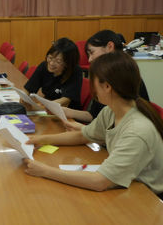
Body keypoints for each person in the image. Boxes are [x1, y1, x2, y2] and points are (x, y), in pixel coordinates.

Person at [24, 52, 163, 196]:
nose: (92, 88)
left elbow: (99, 182)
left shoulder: (137, 130)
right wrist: (40, 139)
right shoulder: (111, 111)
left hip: (147, 196)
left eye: (93, 81)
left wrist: (45, 171)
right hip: (129, 184)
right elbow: (83, 136)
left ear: (107, 86)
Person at [63, 29, 149, 124]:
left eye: (92, 53)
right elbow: (94, 116)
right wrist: (66, 112)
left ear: (110, 47)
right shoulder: (109, 76)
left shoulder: (123, 76)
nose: (90, 59)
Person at [24, 37, 82, 109]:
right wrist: (24, 99)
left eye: (58, 61)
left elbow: (66, 100)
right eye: (50, 57)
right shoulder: (43, 66)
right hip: (48, 107)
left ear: (68, 63)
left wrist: (43, 107)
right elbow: (28, 89)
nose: (51, 63)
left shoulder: (75, 71)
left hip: (67, 113)